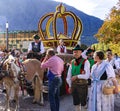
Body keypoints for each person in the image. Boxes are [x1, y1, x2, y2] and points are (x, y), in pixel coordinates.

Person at [66, 44, 90, 111]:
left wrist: (77, 76)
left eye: (77, 51)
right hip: (74, 85)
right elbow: (69, 76)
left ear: (81, 52)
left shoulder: (86, 61)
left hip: (82, 85)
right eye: (74, 52)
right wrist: (70, 86)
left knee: (83, 102)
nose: (75, 53)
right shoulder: (72, 62)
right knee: (76, 102)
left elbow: (87, 75)